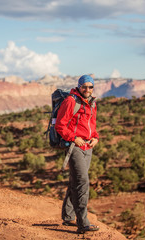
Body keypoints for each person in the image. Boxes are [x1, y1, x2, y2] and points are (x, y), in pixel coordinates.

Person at [55, 74, 99, 233]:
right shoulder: (71, 101)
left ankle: (68, 217)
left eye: (90, 87)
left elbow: (92, 125)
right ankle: (83, 223)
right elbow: (60, 126)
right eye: (84, 86)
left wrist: (96, 137)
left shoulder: (92, 103)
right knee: (82, 182)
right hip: (75, 147)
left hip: (88, 147)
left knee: (75, 180)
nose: (87, 89)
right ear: (79, 86)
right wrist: (74, 138)